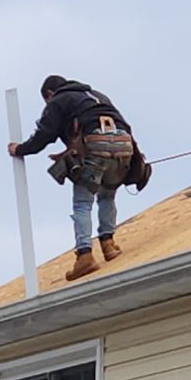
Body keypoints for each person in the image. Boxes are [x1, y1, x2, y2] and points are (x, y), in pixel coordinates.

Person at [8, 75, 134, 283]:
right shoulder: (97, 96)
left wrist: (20, 149)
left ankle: (85, 256)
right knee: (107, 195)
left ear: (49, 93)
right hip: (123, 147)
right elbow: (119, 124)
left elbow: (45, 134)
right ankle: (109, 245)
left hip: (95, 146)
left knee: (83, 202)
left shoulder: (58, 100)